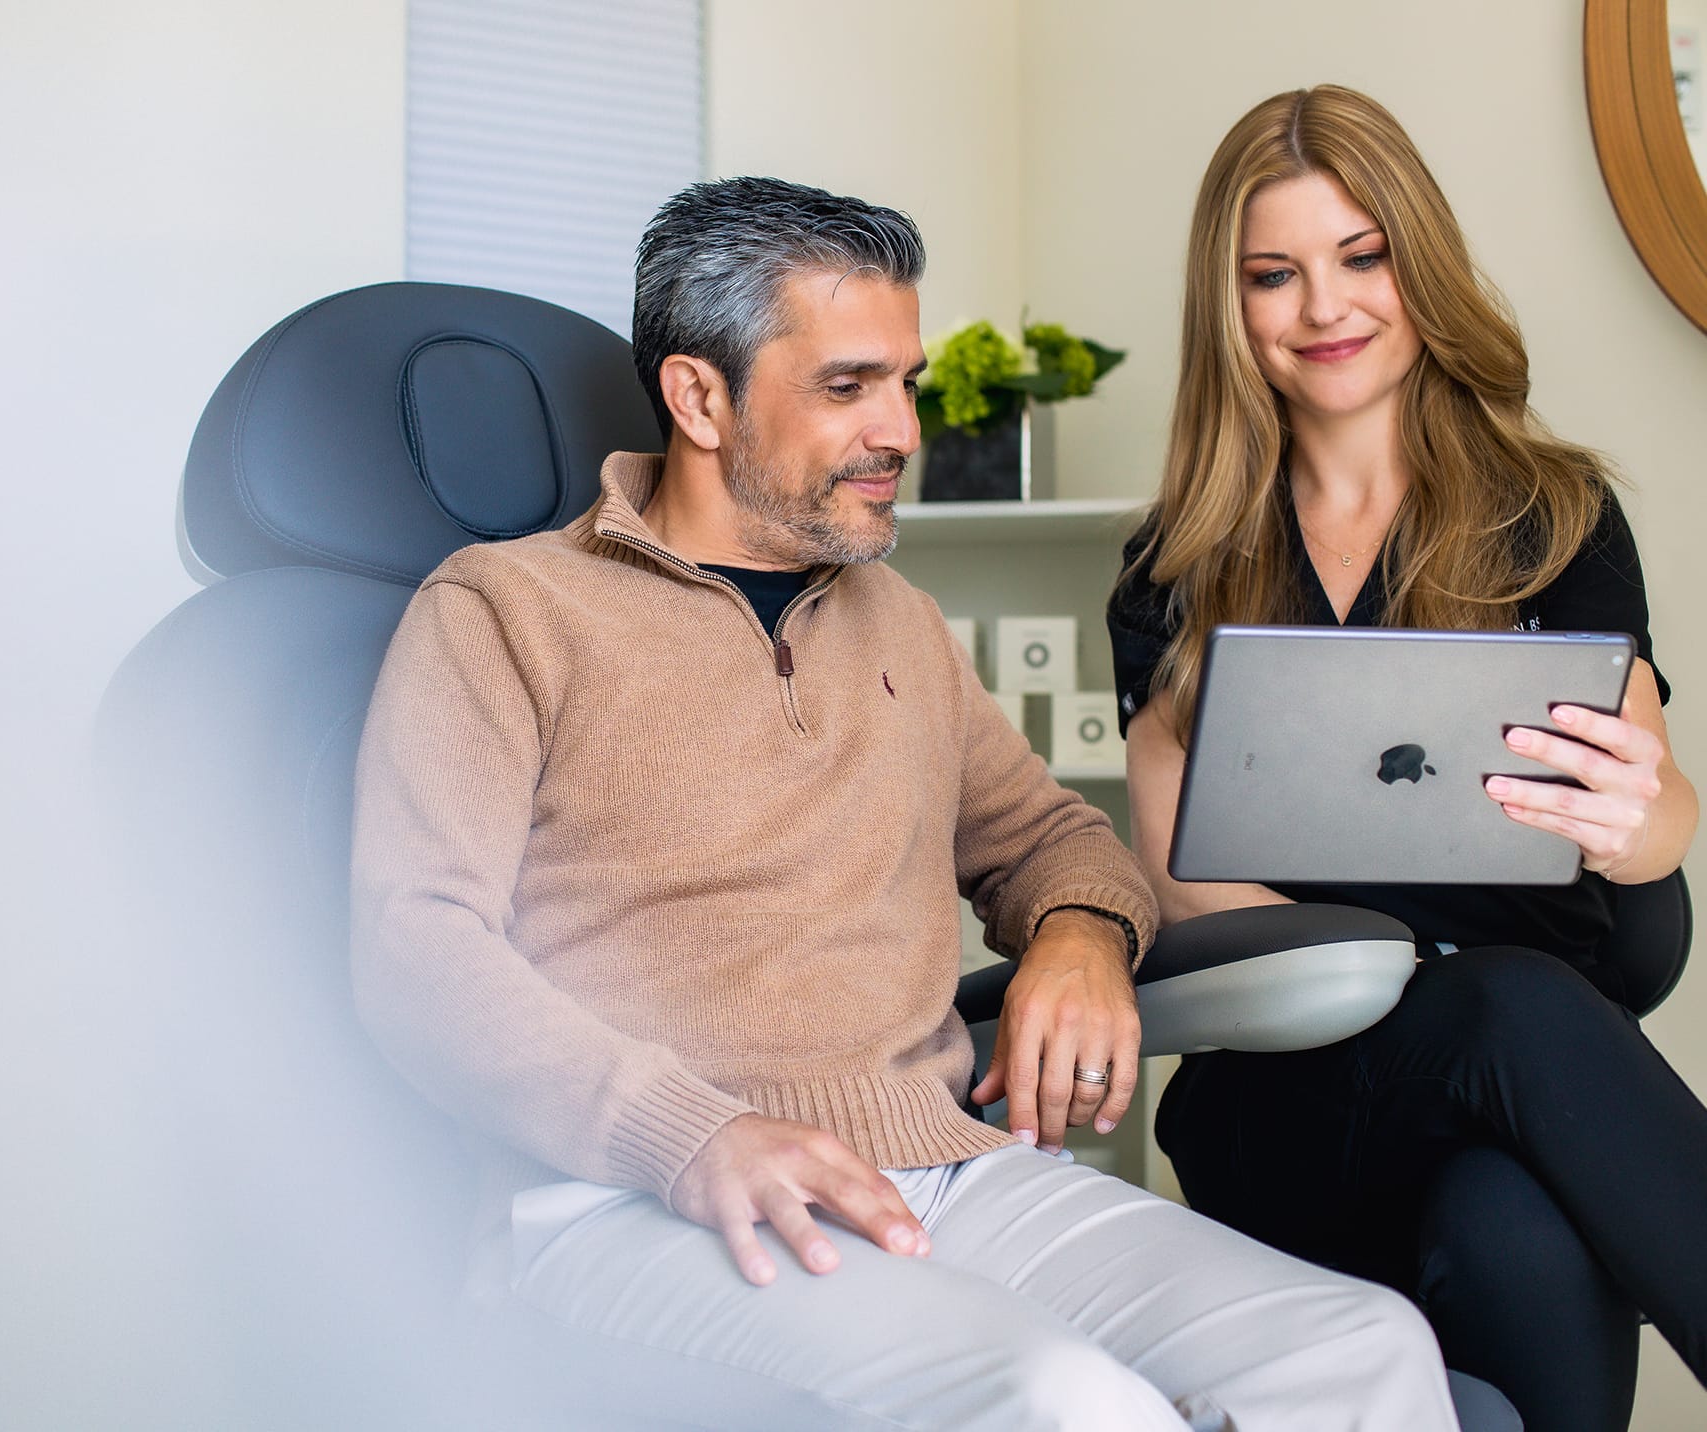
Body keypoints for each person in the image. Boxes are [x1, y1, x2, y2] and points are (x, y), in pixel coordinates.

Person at [350, 175, 1459, 1429]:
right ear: (699, 397)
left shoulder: (898, 621)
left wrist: (1084, 938)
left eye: (907, 382)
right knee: (1065, 1401)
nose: (899, 429)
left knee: (1360, 1347)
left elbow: (1053, 840)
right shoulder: (505, 610)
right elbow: (417, 947)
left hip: (942, 1170)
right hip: (629, 1198)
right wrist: (685, 1133)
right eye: (846, 386)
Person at [1108, 84, 1705, 1432]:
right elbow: (1192, 898)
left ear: (1415, 264)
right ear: (1233, 306)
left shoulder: (1552, 516)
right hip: (1294, 1094)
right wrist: (1426, 984)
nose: (1324, 307)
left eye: (1360, 257)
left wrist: (1639, 822)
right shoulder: (1173, 570)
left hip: (1521, 1089)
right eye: (1276, 275)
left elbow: (1657, 818)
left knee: (1516, 1220)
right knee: (1516, 1005)